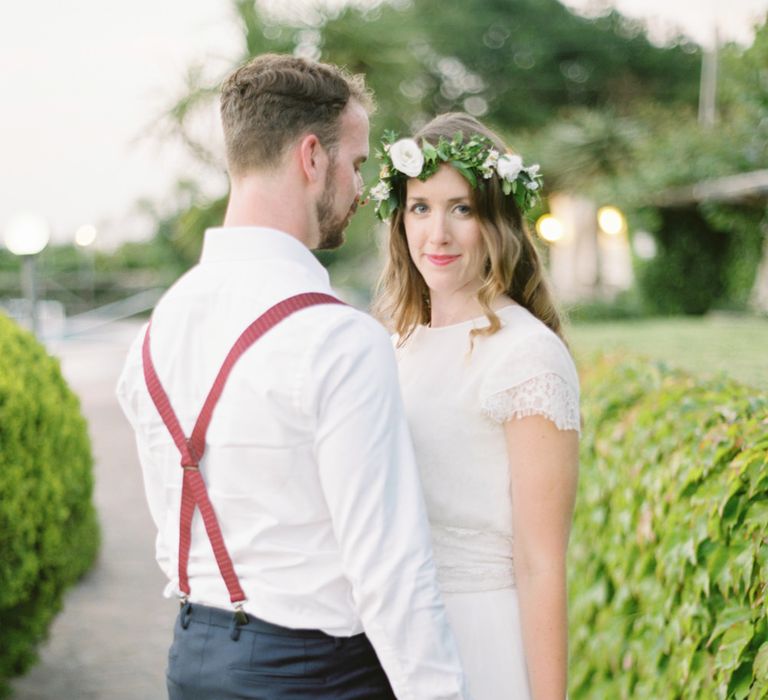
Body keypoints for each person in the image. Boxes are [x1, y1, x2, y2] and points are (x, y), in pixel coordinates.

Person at [117, 54, 468, 700]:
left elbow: (176, 516)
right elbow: (389, 569)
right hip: (317, 675)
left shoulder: (156, 332)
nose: (362, 190)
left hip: (192, 661)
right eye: (357, 163)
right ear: (312, 158)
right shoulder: (341, 341)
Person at [372, 112, 581, 700]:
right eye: (420, 207)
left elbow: (541, 563)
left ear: (498, 222)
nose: (437, 234)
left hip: (480, 643)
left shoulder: (526, 357)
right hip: (395, 646)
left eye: (461, 208)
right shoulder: (395, 347)